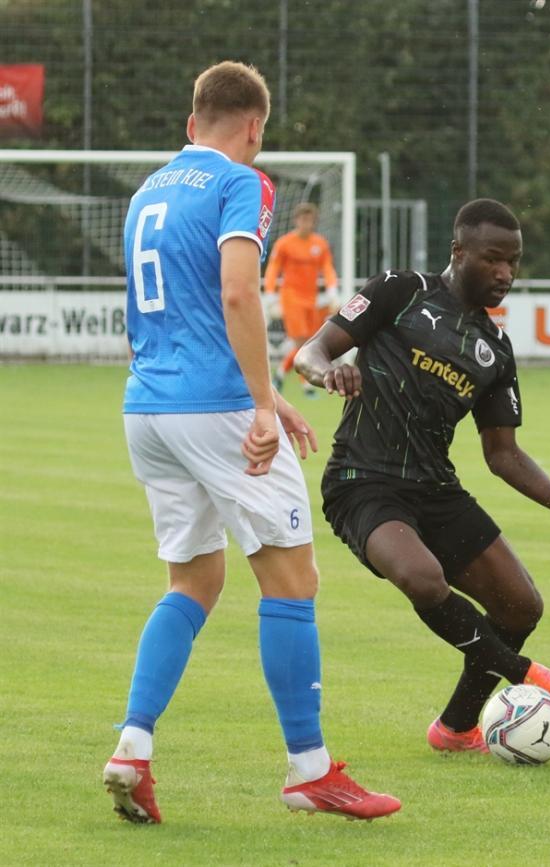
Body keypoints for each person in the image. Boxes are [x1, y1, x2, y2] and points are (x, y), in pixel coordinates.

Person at [106, 60, 401, 823]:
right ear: (254, 129)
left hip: (148, 407)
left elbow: (158, 309)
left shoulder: (148, 192)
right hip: (217, 409)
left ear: (189, 121)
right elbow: (238, 290)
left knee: (193, 583)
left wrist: (266, 392)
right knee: (293, 581)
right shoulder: (245, 181)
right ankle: (310, 770)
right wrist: (260, 409)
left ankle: (132, 748)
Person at [294, 198, 550, 753]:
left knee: (521, 604)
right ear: (458, 251)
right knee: (421, 578)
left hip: (434, 488)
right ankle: (528, 675)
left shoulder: (495, 349)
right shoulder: (400, 290)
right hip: (361, 480)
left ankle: (456, 728)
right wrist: (331, 371)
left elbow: (503, 453)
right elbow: (310, 350)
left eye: (514, 262)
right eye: (493, 259)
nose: (505, 274)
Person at [262, 202, 339, 396]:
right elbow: (273, 268)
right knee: (302, 343)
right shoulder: (285, 243)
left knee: (309, 341)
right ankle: (306, 385)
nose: (306, 223)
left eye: (310, 220)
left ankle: (279, 373)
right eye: (303, 219)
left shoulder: (319, 244)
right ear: (296, 220)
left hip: (311, 299)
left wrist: (332, 290)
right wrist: (271, 293)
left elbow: (327, 268)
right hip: (291, 298)